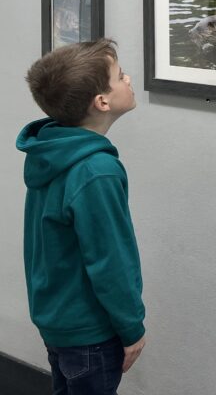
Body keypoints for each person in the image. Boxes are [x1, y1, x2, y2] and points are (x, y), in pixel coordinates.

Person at [17, 38, 146, 395]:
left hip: (57, 320)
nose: (129, 79)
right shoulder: (96, 171)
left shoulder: (51, 149)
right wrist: (132, 327)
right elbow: (110, 260)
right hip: (91, 331)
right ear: (102, 102)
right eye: (120, 77)